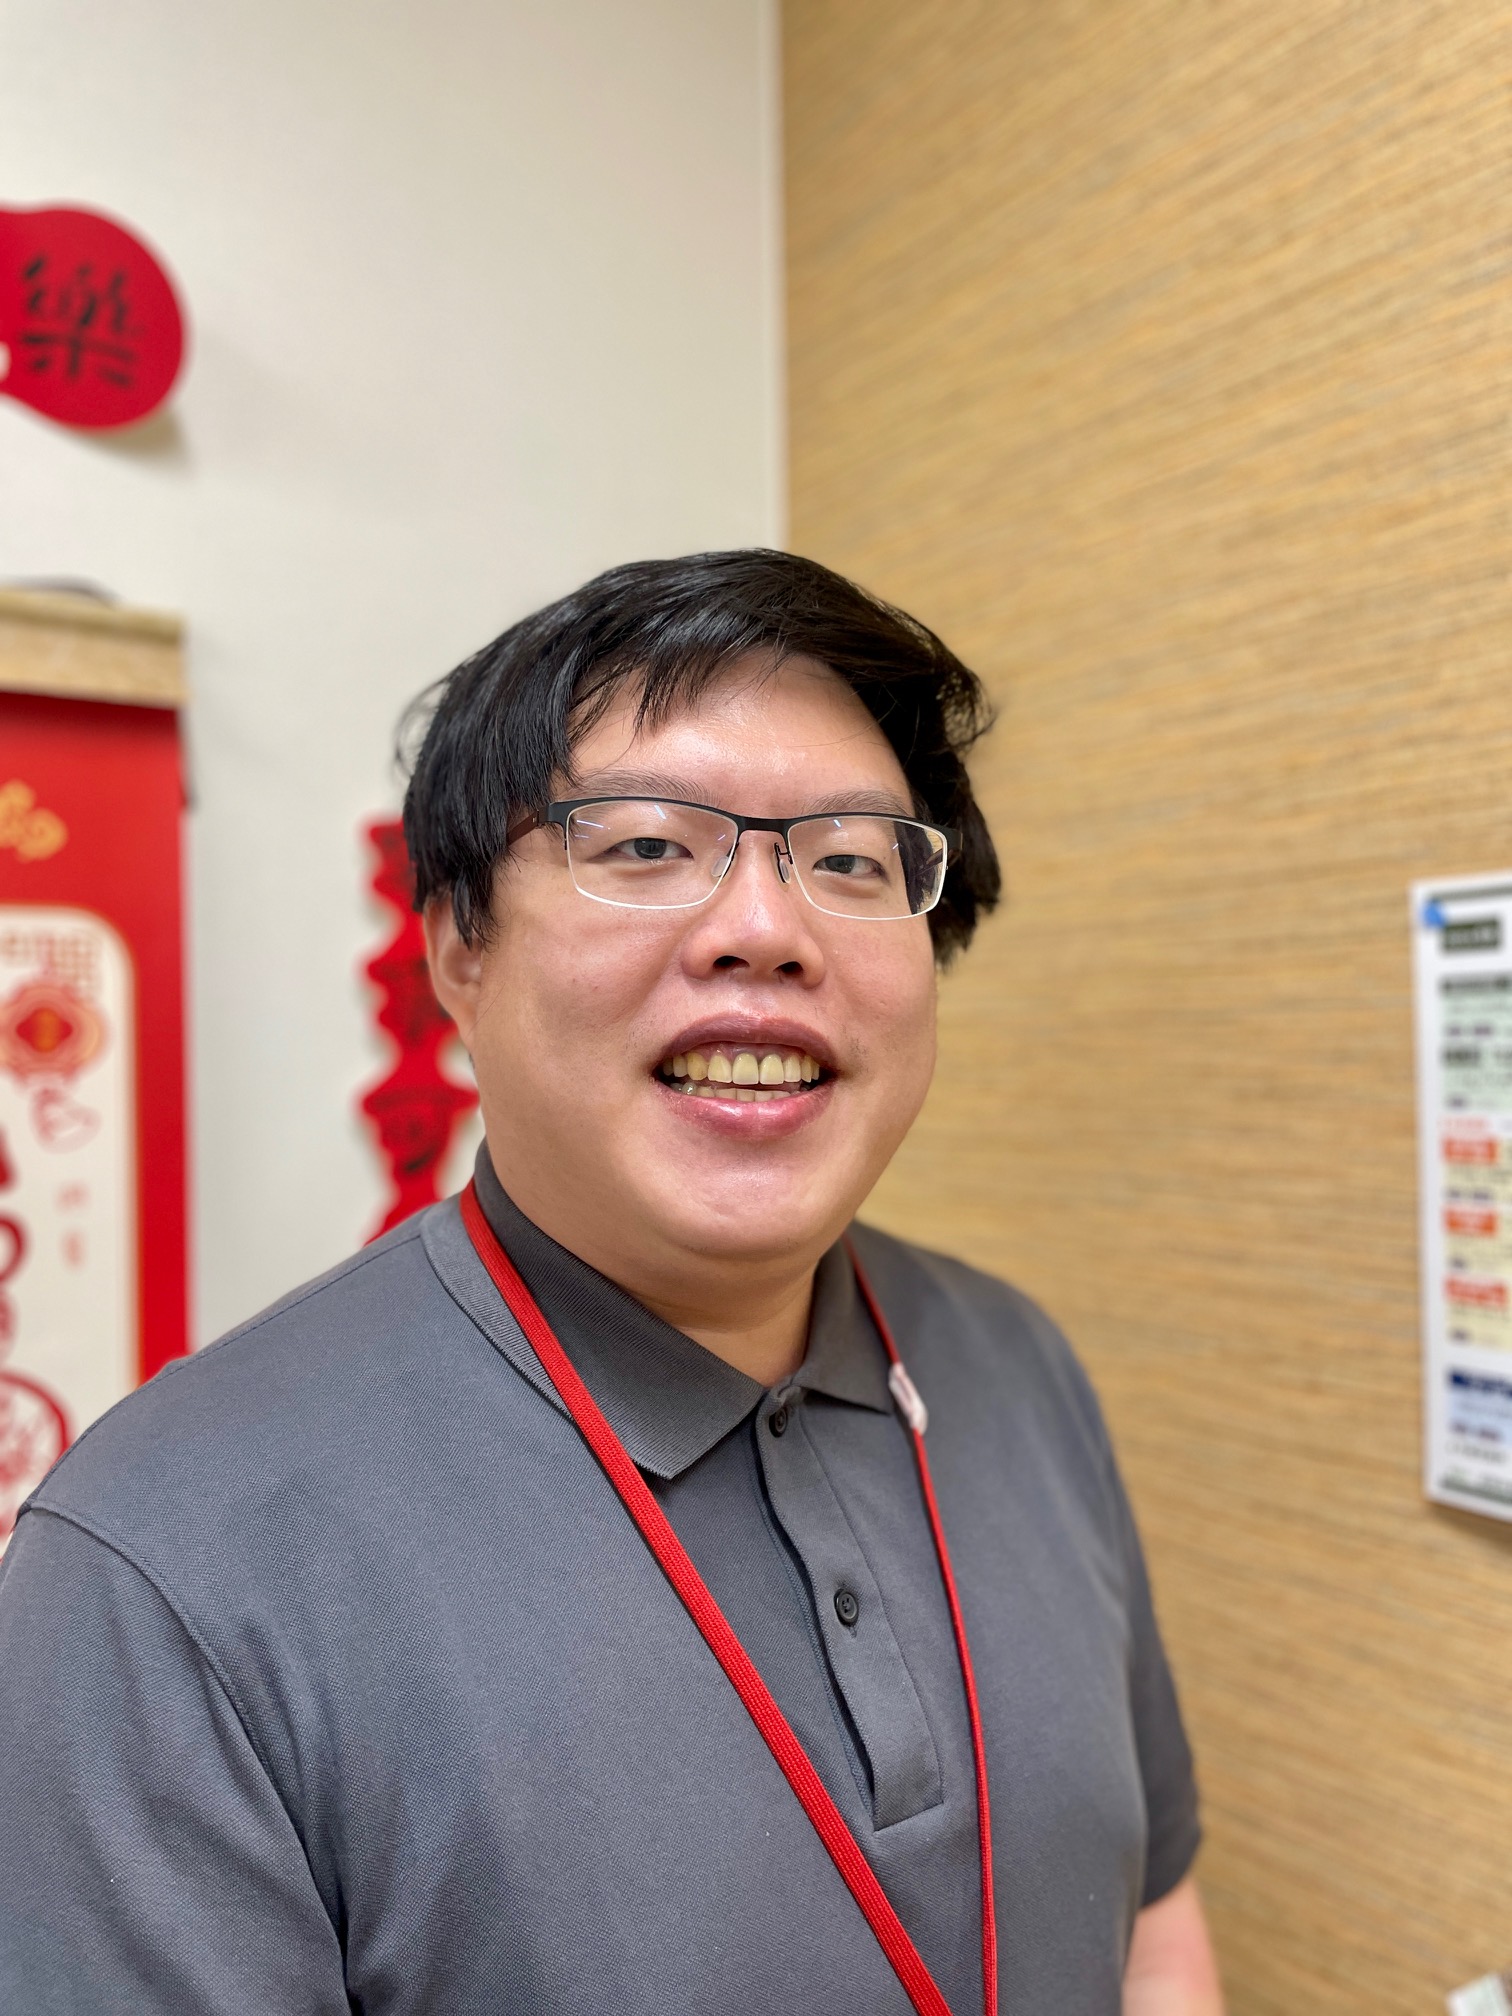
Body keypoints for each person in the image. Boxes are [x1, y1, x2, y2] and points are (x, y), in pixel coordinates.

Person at [0, 550, 1223, 2015]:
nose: (766, 930)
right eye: (646, 846)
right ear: (458, 949)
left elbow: (1152, 1925)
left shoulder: (1017, 1363)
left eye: (850, 861)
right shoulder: (160, 1562)